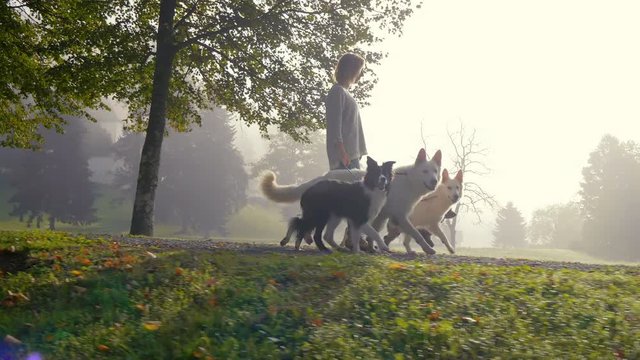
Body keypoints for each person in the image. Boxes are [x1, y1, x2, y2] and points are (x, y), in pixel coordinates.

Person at [325, 53, 367, 170]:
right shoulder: (337, 91)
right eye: (359, 70)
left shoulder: (345, 93)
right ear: (351, 70)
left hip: (351, 156)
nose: (360, 74)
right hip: (344, 158)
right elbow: (335, 125)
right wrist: (342, 152)